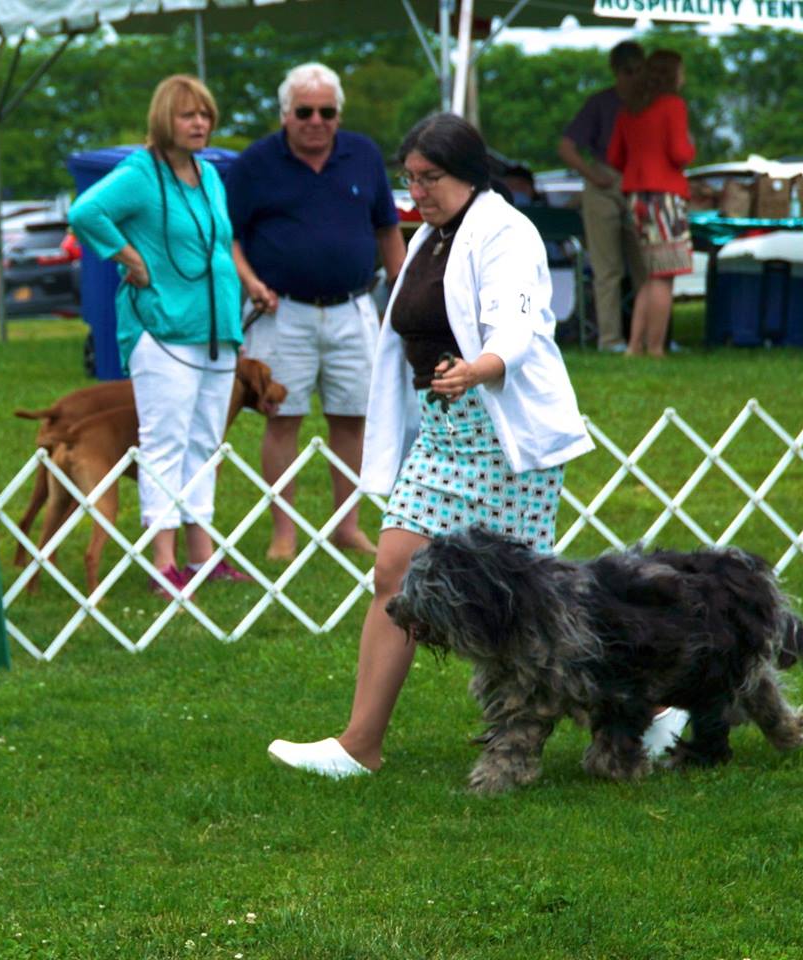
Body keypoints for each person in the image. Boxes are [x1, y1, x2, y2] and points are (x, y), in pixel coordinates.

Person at [265, 112, 688, 779]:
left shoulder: (507, 232)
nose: (417, 192)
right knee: (394, 574)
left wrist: (479, 367)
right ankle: (359, 746)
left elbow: (517, 321)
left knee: (528, 606)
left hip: (502, 438)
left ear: (468, 172)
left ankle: (651, 710)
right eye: (409, 179)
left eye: (429, 178)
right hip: (442, 434)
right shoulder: (434, 234)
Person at [69, 75, 247, 597]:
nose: (199, 124)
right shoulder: (141, 172)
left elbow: (220, 241)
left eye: (205, 115)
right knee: (165, 444)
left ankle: (202, 558)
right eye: (188, 115)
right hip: (163, 331)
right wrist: (129, 257)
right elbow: (85, 212)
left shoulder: (209, 174)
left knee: (205, 444)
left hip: (216, 331)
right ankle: (163, 565)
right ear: (163, 119)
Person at [226, 62, 406, 561]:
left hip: (353, 308)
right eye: (304, 111)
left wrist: (411, 295)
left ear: (338, 114)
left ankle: (345, 526)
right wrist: (251, 282)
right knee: (282, 418)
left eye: (327, 112)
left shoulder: (364, 155)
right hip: (282, 311)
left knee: (353, 418)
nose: (316, 121)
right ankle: (284, 532)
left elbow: (388, 230)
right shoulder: (254, 164)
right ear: (285, 114)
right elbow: (229, 237)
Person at [558, 40, 647, 353]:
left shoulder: (652, 103)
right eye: (628, 71)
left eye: (639, 70)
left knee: (648, 268)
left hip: (641, 187)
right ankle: (610, 340)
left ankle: (651, 339)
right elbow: (566, 146)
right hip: (604, 183)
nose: (634, 77)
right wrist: (592, 174)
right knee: (607, 269)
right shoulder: (600, 103)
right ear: (616, 71)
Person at [607, 49, 695, 358]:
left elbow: (615, 158)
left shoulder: (629, 110)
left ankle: (634, 347)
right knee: (664, 274)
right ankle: (656, 348)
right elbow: (680, 153)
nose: (684, 78)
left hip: (636, 198)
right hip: (665, 197)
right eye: (681, 72)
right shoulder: (673, 105)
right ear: (671, 75)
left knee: (649, 274)